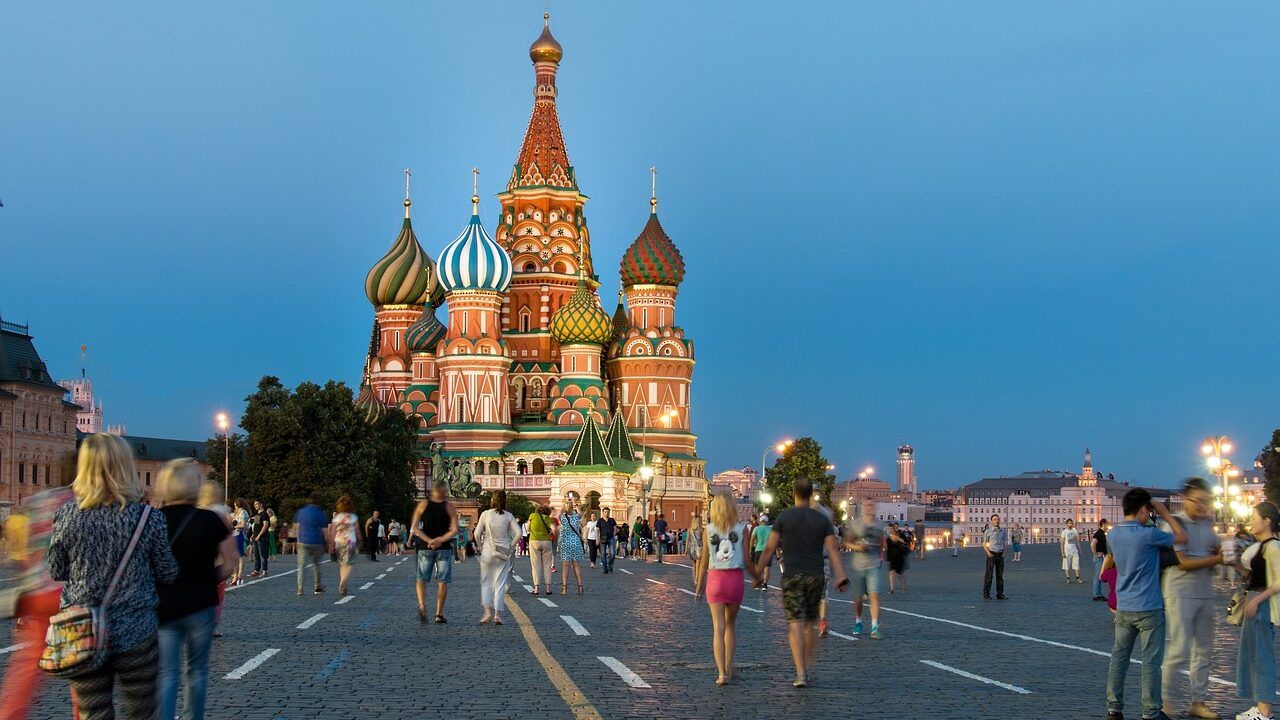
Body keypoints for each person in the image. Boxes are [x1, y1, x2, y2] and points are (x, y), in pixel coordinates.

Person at [47, 433, 180, 720]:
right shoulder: (149, 517)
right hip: (137, 629)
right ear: (126, 468)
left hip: (83, 630)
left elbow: (57, 570)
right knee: (141, 712)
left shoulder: (66, 515)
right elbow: (168, 572)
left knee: (93, 712)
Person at [156, 459, 236, 720]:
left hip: (164, 605)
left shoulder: (155, 519)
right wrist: (208, 578)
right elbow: (230, 564)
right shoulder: (211, 519)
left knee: (166, 673)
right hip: (201, 603)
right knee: (197, 671)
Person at [752, 478, 848, 688]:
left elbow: (769, 548)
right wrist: (841, 575)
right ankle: (808, 663)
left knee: (795, 624)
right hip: (815, 576)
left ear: (793, 493)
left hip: (792, 575)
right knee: (810, 624)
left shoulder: (784, 518)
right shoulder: (822, 520)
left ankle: (801, 672)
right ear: (811, 493)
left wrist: (757, 574)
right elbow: (833, 549)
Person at [1105, 487, 1185, 720]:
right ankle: (1151, 711)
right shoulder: (1149, 535)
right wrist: (1165, 514)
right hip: (1149, 606)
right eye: (1148, 511)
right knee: (1150, 662)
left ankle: (1114, 708)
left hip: (1124, 606)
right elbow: (1182, 537)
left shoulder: (1113, 534)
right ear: (1142, 510)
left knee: (1119, 658)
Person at [0, 483, 75, 720]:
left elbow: (25, 553)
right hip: (69, 595)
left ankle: (9, 715)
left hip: (38, 594)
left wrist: (26, 584)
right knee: (83, 663)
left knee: (27, 666)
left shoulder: (37, 501)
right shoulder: (80, 504)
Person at [1154, 479, 1222, 719]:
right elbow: (1183, 563)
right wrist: (1217, 559)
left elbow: (1216, 548)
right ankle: (1165, 700)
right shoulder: (1175, 524)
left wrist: (1221, 554)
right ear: (1186, 499)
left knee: (1204, 649)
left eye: (1207, 501)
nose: (1203, 506)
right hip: (1180, 591)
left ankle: (1198, 701)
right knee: (1180, 647)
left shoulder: (1207, 524)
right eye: (1199, 501)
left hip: (1204, 591)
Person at [694, 492, 758, 686]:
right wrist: (757, 578)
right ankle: (729, 666)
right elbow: (747, 560)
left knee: (718, 627)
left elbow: (704, 561)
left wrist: (699, 585)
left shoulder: (708, 530)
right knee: (730, 625)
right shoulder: (742, 529)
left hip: (715, 580)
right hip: (735, 580)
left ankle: (721, 674)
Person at [1233, 502, 1280, 720]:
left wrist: (1257, 600)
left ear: (1267, 520)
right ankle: (1260, 707)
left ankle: (1264, 712)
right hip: (1256, 601)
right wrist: (1234, 564)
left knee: (1262, 657)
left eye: (1254, 517)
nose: (1251, 521)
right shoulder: (1263, 546)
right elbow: (1255, 577)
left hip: (1262, 605)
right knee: (1253, 655)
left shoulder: (1273, 547)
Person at [410, 481, 457, 624]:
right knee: (442, 581)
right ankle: (438, 614)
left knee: (421, 578)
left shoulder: (423, 504)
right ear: (444, 492)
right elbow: (454, 530)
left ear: (433, 491)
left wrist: (429, 540)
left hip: (425, 548)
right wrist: (440, 540)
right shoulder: (449, 506)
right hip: (443, 548)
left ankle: (422, 605)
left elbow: (415, 527)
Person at [475, 490, 521, 625]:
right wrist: (511, 546)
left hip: (488, 551)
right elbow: (518, 533)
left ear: (492, 500)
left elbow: (477, 534)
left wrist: (480, 546)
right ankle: (497, 615)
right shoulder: (508, 516)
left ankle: (487, 613)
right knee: (500, 584)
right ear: (505, 501)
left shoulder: (485, 514)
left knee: (486, 583)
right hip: (503, 552)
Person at [844, 499, 885, 639]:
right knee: (858, 598)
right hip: (858, 566)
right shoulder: (856, 524)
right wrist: (857, 547)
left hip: (874, 564)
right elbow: (847, 542)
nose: (869, 507)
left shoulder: (880, 525)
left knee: (874, 595)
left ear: (875, 507)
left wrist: (880, 556)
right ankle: (858, 621)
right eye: (867, 505)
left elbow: (881, 543)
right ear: (862, 508)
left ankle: (874, 628)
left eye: (872, 505)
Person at [293, 495, 329, 596]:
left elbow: (297, 527)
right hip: (316, 541)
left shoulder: (301, 511)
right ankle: (317, 587)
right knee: (316, 564)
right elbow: (324, 530)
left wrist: (298, 539)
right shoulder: (320, 513)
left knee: (301, 566)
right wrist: (327, 542)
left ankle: (300, 589)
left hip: (303, 541)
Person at [331, 496, 361, 595]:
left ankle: (342, 583)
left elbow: (333, 531)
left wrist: (331, 544)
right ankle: (344, 581)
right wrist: (360, 540)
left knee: (342, 563)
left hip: (339, 541)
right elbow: (357, 530)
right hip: (350, 541)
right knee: (350, 563)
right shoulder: (353, 517)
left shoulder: (337, 517)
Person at [558, 496, 587, 595]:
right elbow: (579, 512)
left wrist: (565, 503)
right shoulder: (576, 516)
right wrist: (574, 503)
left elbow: (560, 512)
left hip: (565, 542)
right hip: (576, 542)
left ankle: (564, 588)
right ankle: (580, 587)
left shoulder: (562, 517)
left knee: (565, 566)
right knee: (576, 565)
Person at [528, 505, 556, 594]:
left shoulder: (532, 516)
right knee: (547, 566)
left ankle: (536, 589)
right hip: (546, 542)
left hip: (534, 541)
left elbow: (528, 528)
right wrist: (552, 534)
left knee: (535, 566)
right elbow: (554, 529)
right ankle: (548, 589)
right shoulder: (549, 519)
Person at [983, 514, 1008, 600]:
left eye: (998, 519)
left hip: (1000, 554)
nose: (997, 521)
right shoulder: (988, 531)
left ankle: (1000, 594)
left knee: (1000, 576)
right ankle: (986, 594)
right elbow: (984, 543)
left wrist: (1004, 552)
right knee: (989, 575)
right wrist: (988, 552)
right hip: (991, 554)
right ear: (992, 521)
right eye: (995, 519)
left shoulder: (1003, 531)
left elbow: (1005, 542)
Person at [885, 522, 909, 594]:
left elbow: (905, 543)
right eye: (889, 529)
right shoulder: (888, 538)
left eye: (891, 529)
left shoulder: (899, 536)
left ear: (894, 529)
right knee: (891, 573)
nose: (890, 530)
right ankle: (892, 589)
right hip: (892, 557)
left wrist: (900, 540)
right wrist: (888, 559)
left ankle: (904, 587)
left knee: (900, 574)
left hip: (899, 557)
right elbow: (888, 549)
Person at [250, 500, 270, 577]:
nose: (255, 505)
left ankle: (264, 571)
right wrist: (253, 535)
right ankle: (257, 570)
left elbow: (265, 525)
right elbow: (256, 526)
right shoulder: (257, 515)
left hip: (262, 537)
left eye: (257, 504)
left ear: (261, 504)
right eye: (254, 504)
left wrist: (259, 535)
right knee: (256, 555)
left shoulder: (264, 514)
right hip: (255, 537)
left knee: (263, 555)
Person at [752, 517, 773, 591]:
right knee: (766, 568)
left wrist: (750, 549)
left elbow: (752, 540)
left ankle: (758, 583)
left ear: (760, 521)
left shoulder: (756, 529)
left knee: (757, 568)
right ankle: (765, 585)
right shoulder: (770, 529)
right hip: (767, 551)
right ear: (767, 521)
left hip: (758, 550)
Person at [1092, 519, 1111, 601]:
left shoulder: (1101, 533)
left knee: (1099, 576)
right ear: (1103, 524)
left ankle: (1098, 594)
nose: (1108, 526)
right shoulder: (1099, 533)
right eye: (1107, 524)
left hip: (1101, 557)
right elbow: (1092, 544)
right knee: (1098, 576)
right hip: (1099, 557)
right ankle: (1096, 595)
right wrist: (1096, 554)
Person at [1061, 519, 1083, 584]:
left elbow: (1077, 541)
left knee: (1076, 564)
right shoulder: (1064, 532)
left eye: (1072, 523)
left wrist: (1080, 550)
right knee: (1067, 565)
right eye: (1070, 523)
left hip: (1074, 550)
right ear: (1067, 524)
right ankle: (1068, 578)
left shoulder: (1074, 530)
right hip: (1067, 551)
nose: (1071, 524)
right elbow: (1062, 543)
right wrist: (1062, 552)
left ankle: (1077, 578)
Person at [599, 507, 618, 574]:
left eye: (608, 512)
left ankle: (610, 565)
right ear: (603, 512)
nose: (607, 513)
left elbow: (615, 528)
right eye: (605, 512)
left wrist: (614, 534)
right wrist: (597, 538)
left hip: (611, 538)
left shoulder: (612, 520)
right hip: (602, 538)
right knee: (603, 554)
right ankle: (605, 568)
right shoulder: (600, 520)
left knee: (613, 553)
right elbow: (597, 530)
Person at [688, 514, 704, 585]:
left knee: (694, 566)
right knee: (698, 566)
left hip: (692, 549)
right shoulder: (701, 529)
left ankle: (695, 579)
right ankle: (697, 580)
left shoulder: (689, 529)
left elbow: (687, 540)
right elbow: (703, 540)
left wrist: (686, 549)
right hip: (699, 549)